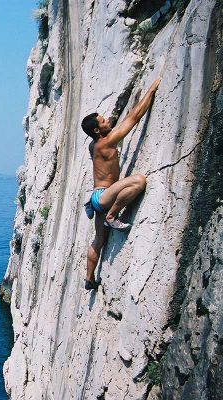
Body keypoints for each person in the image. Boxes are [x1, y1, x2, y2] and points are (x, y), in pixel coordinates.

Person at [81, 78, 161, 290]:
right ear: (98, 130)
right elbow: (134, 117)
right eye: (104, 121)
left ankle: (89, 279)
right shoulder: (106, 141)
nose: (108, 121)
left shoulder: (94, 145)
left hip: (97, 197)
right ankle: (111, 216)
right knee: (139, 181)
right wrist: (152, 89)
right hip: (104, 197)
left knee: (98, 241)